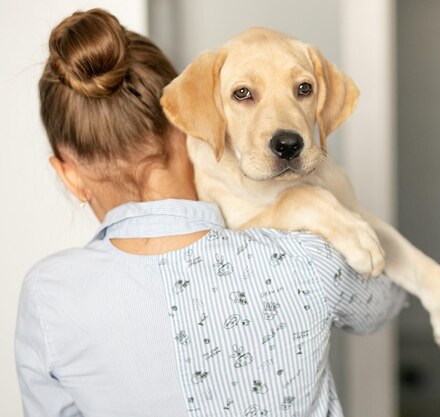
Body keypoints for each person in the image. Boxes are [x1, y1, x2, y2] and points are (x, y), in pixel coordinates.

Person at [15, 8, 406, 417]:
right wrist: (323, 208)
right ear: (193, 124)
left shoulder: (48, 295)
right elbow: (388, 298)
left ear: (69, 176)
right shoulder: (305, 251)